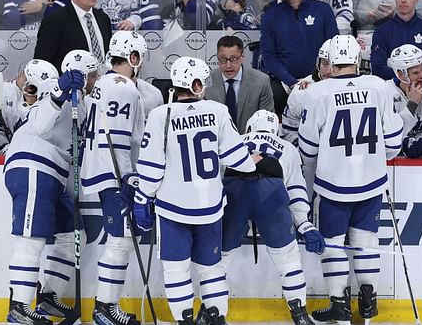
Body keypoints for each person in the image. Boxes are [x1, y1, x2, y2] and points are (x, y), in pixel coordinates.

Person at [133, 56, 258, 325]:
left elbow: (152, 168)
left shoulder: (160, 115)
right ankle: (218, 317)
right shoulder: (217, 111)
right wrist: (252, 160)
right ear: (197, 83)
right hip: (210, 208)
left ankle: (185, 320)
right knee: (211, 270)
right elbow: (240, 161)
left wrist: (142, 198)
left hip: (173, 208)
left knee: (176, 271)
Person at [297, 35, 403, 324]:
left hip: (333, 185)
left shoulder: (317, 93)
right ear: (358, 60)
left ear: (330, 62)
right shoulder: (379, 87)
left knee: (333, 244)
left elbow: (307, 149)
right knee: (365, 241)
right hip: (371, 183)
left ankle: (339, 305)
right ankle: (368, 303)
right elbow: (394, 144)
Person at [5, 50, 101, 325]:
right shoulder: (55, 92)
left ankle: (48, 296)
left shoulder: (81, 103)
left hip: (54, 177)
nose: (96, 79)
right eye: (92, 75)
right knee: (30, 239)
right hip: (33, 167)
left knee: (71, 236)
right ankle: (20, 307)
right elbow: (39, 125)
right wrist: (58, 92)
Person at [222, 110, 324, 325]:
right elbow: (296, 187)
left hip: (234, 192)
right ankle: (300, 315)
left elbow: (217, 180)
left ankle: (210, 312)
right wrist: (303, 222)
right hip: (270, 193)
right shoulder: (288, 147)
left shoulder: (235, 140)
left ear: (248, 127)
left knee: (218, 260)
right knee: (288, 259)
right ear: (275, 130)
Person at [80, 31, 147, 325]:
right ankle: (105, 308)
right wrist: (129, 176)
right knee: (119, 242)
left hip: (97, 170)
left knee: (118, 240)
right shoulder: (126, 89)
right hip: (113, 174)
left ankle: (105, 306)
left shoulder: (101, 84)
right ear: (133, 57)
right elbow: (119, 139)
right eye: (138, 58)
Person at [260, 0, 338, 116]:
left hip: (319, 80)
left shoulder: (322, 10)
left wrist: (315, 78)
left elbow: (332, 48)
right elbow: (269, 56)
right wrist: (291, 82)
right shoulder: (270, 15)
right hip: (283, 83)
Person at [34, 0, 113, 72]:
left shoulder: (103, 18)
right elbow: (42, 62)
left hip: (104, 84)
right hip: (71, 85)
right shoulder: (56, 20)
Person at [204, 35, 274, 134]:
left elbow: (268, 121)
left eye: (233, 59)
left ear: (242, 57)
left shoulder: (261, 81)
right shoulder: (206, 82)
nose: (228, 66)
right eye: (223, 60)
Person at [0, 59, 59, 154]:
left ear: (31, 87)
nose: (20, 75)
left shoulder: (51, 110)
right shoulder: (8, 92)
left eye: (24, 75)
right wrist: (4, 149)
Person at [281, 38, 331, 146]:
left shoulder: (361, 90)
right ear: (318, 64)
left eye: (334, 65)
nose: (328, 71)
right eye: (325, 63)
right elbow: (288, 132)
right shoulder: (301, 91)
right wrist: (303, 153)